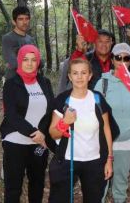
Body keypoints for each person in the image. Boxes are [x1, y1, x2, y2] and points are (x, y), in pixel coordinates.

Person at [46, 59, 117, 203]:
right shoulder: (62, 100)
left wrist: (109, 159)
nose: (79, 77)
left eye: (83, 73)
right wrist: (64, 123)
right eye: (75, 73)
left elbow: (106, 129)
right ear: (70, 77)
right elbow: (53, 133)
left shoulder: (97, 99)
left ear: (90, 76)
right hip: (67, 160)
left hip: (94, 161)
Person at [1, 45, 53, 203]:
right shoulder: (11, 84)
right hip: (15, 140)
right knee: (13, 186)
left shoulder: (45, 82)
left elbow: (50, 109)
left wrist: (42, 132)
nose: (29, 63)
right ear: (19, 61)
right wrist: (34, 133)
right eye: (25, 59)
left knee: (37, 183)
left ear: (38, 62)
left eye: (33, 60)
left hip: (40, 141)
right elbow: (11, 115)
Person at [93, 43, 130, 202]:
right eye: (118, 58)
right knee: (100, 183)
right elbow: (94, 111)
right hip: (104, 143)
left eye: (126, 58)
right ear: (112, 60)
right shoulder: (102, 84)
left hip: (126, 142)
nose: (122, 61)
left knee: (121, 182)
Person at [2, 6, 37, 79]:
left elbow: (40, 62)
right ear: (14, 22)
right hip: (14, 80)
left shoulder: (31, 39)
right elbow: (13, 63)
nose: (24, 22)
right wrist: (33, 62)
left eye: (27, 19)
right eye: (20, 19)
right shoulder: (8, 38)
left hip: (31, 79)